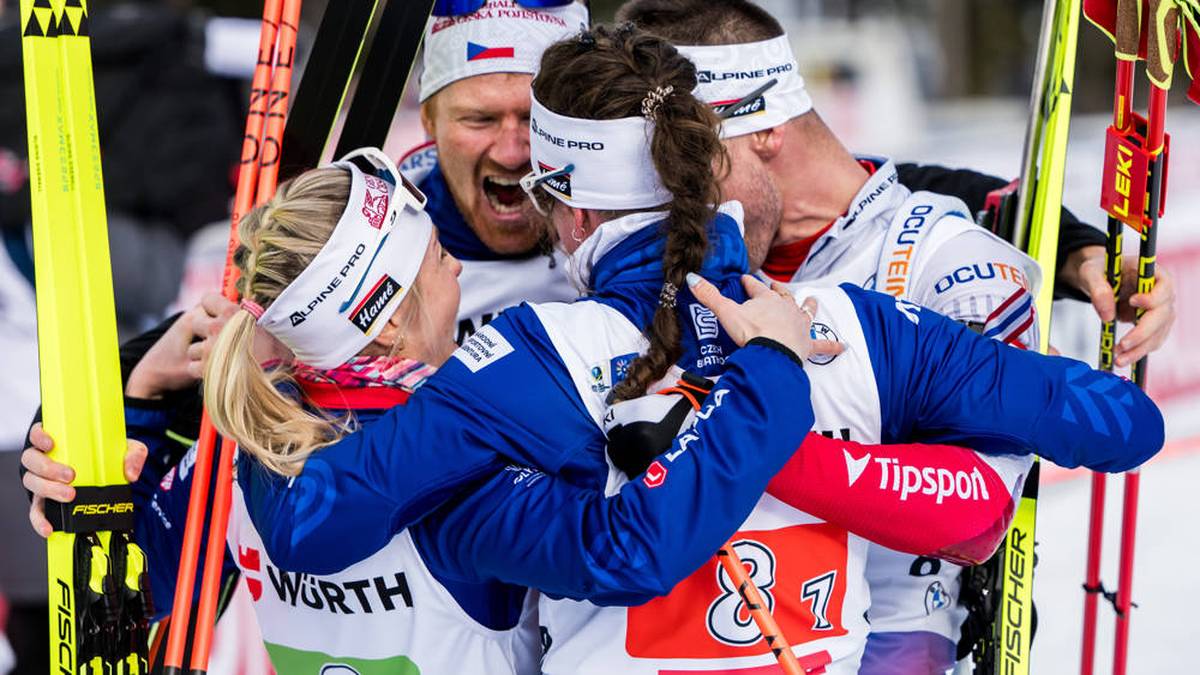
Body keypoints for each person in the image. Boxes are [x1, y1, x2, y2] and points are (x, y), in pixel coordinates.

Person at [23, 146, 824, 674]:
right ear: (392, 310)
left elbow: (139, 589)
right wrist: (772, 372)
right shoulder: (453, 472)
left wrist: (141, 414)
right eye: (441, 260)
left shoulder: (244, 433)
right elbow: (627, 551)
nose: (462, 279)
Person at [612, 1, 1174, 672]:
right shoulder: (685, 247)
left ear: (761, 131)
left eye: (677, 159)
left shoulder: (945, 259)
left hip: (882, 641)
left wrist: (753, 439)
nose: (657, 192)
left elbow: (977, 511)